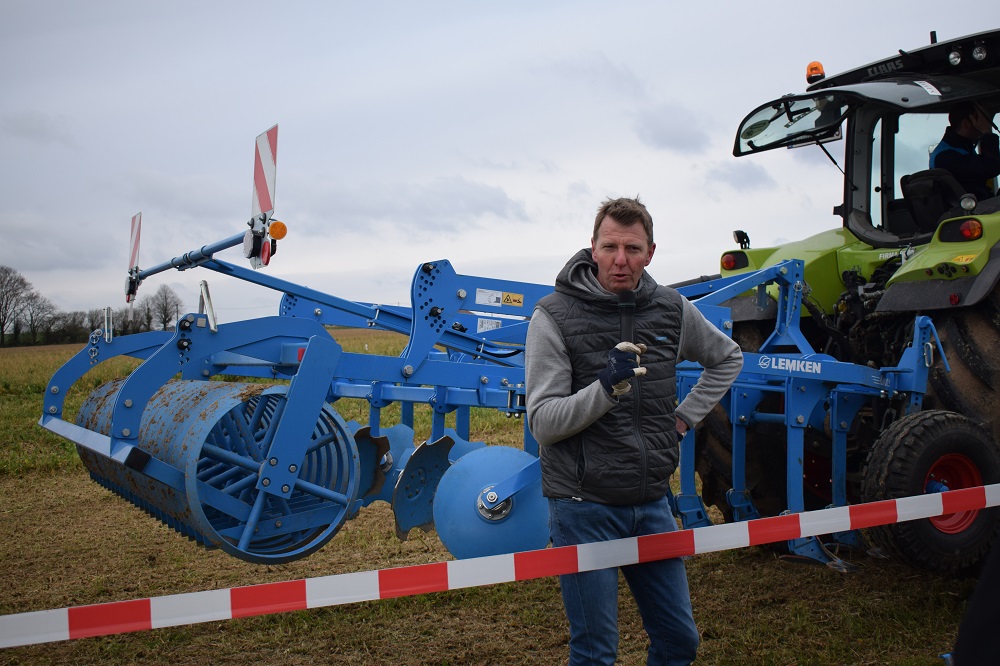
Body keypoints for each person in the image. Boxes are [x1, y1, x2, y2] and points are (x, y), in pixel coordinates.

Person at [525, 196, 743, 665]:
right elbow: (543, 423)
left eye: (632, 248)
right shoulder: (554, 316)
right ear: (592, 248)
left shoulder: (671, 310)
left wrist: (684, 417)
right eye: (610, 247)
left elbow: (728, 358)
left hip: (650, 502)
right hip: (584, 506)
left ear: (651, 252)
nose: (620, 260)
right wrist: (605, 387)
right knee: (596, 651)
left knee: (679, 641)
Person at [929, 101, 1000, 201]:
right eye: (980, 121)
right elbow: (991, 167)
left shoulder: (961, 149)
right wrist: (986, 132)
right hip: (969, 209)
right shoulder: (946, 156)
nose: (984, 124)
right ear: (966, 123)